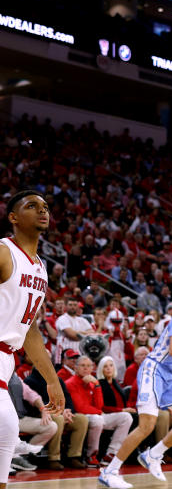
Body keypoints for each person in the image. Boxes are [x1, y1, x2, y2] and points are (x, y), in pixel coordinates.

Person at [98, 283, 172, 489]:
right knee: (146, 425)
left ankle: (154, 454)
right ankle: (109, 471)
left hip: (171, 374)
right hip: (154, 369)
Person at [0, 191, 66, 489]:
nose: (43, 210)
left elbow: (31, 330)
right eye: (32, 206)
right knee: (6, 428)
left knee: (7, 431)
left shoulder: (40, 267)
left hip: (7, 359)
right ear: (13, 217)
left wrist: (51, 379)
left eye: (45, 207)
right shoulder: (3, 251)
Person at [65, 355, 133, 467]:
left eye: (88, 366)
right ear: (75, 368)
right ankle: (91, 455)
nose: (86, 368)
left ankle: (111, 453)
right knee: (97, 420)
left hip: (96, 415)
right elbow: (80, 407)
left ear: (93, 368)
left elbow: (99, 405)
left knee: (126, 417)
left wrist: (97, 385)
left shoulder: (93, 382)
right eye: (82, 366)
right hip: (81, 416)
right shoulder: (70, 383)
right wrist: (98, 412)